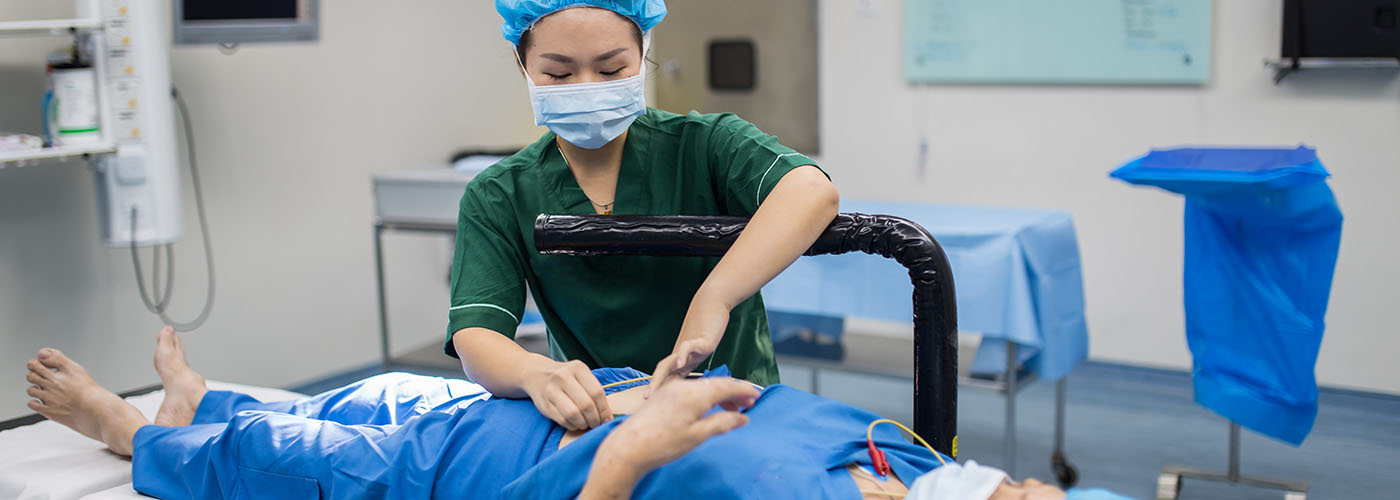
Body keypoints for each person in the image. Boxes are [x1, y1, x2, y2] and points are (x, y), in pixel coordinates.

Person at [21, 328, 1127, 499]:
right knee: (369, 392)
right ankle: (200, 395)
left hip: (504, 473)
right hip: (540, 398)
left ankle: (138, 433)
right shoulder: (908, 456)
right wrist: (646, 395)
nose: (1035, 488)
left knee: (304, 453)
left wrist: (626, 448)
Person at [446, 0, 841, 432]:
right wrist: (534, 374)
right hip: (595, 423)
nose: (586, 87)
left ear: (643, 53)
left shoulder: (706, 145)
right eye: (559, 74)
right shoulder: (499, 194)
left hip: (736, 413)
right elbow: (476, 334)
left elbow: (811, 191)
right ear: (523, 65)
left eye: (612, 70)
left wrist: (715, 298)